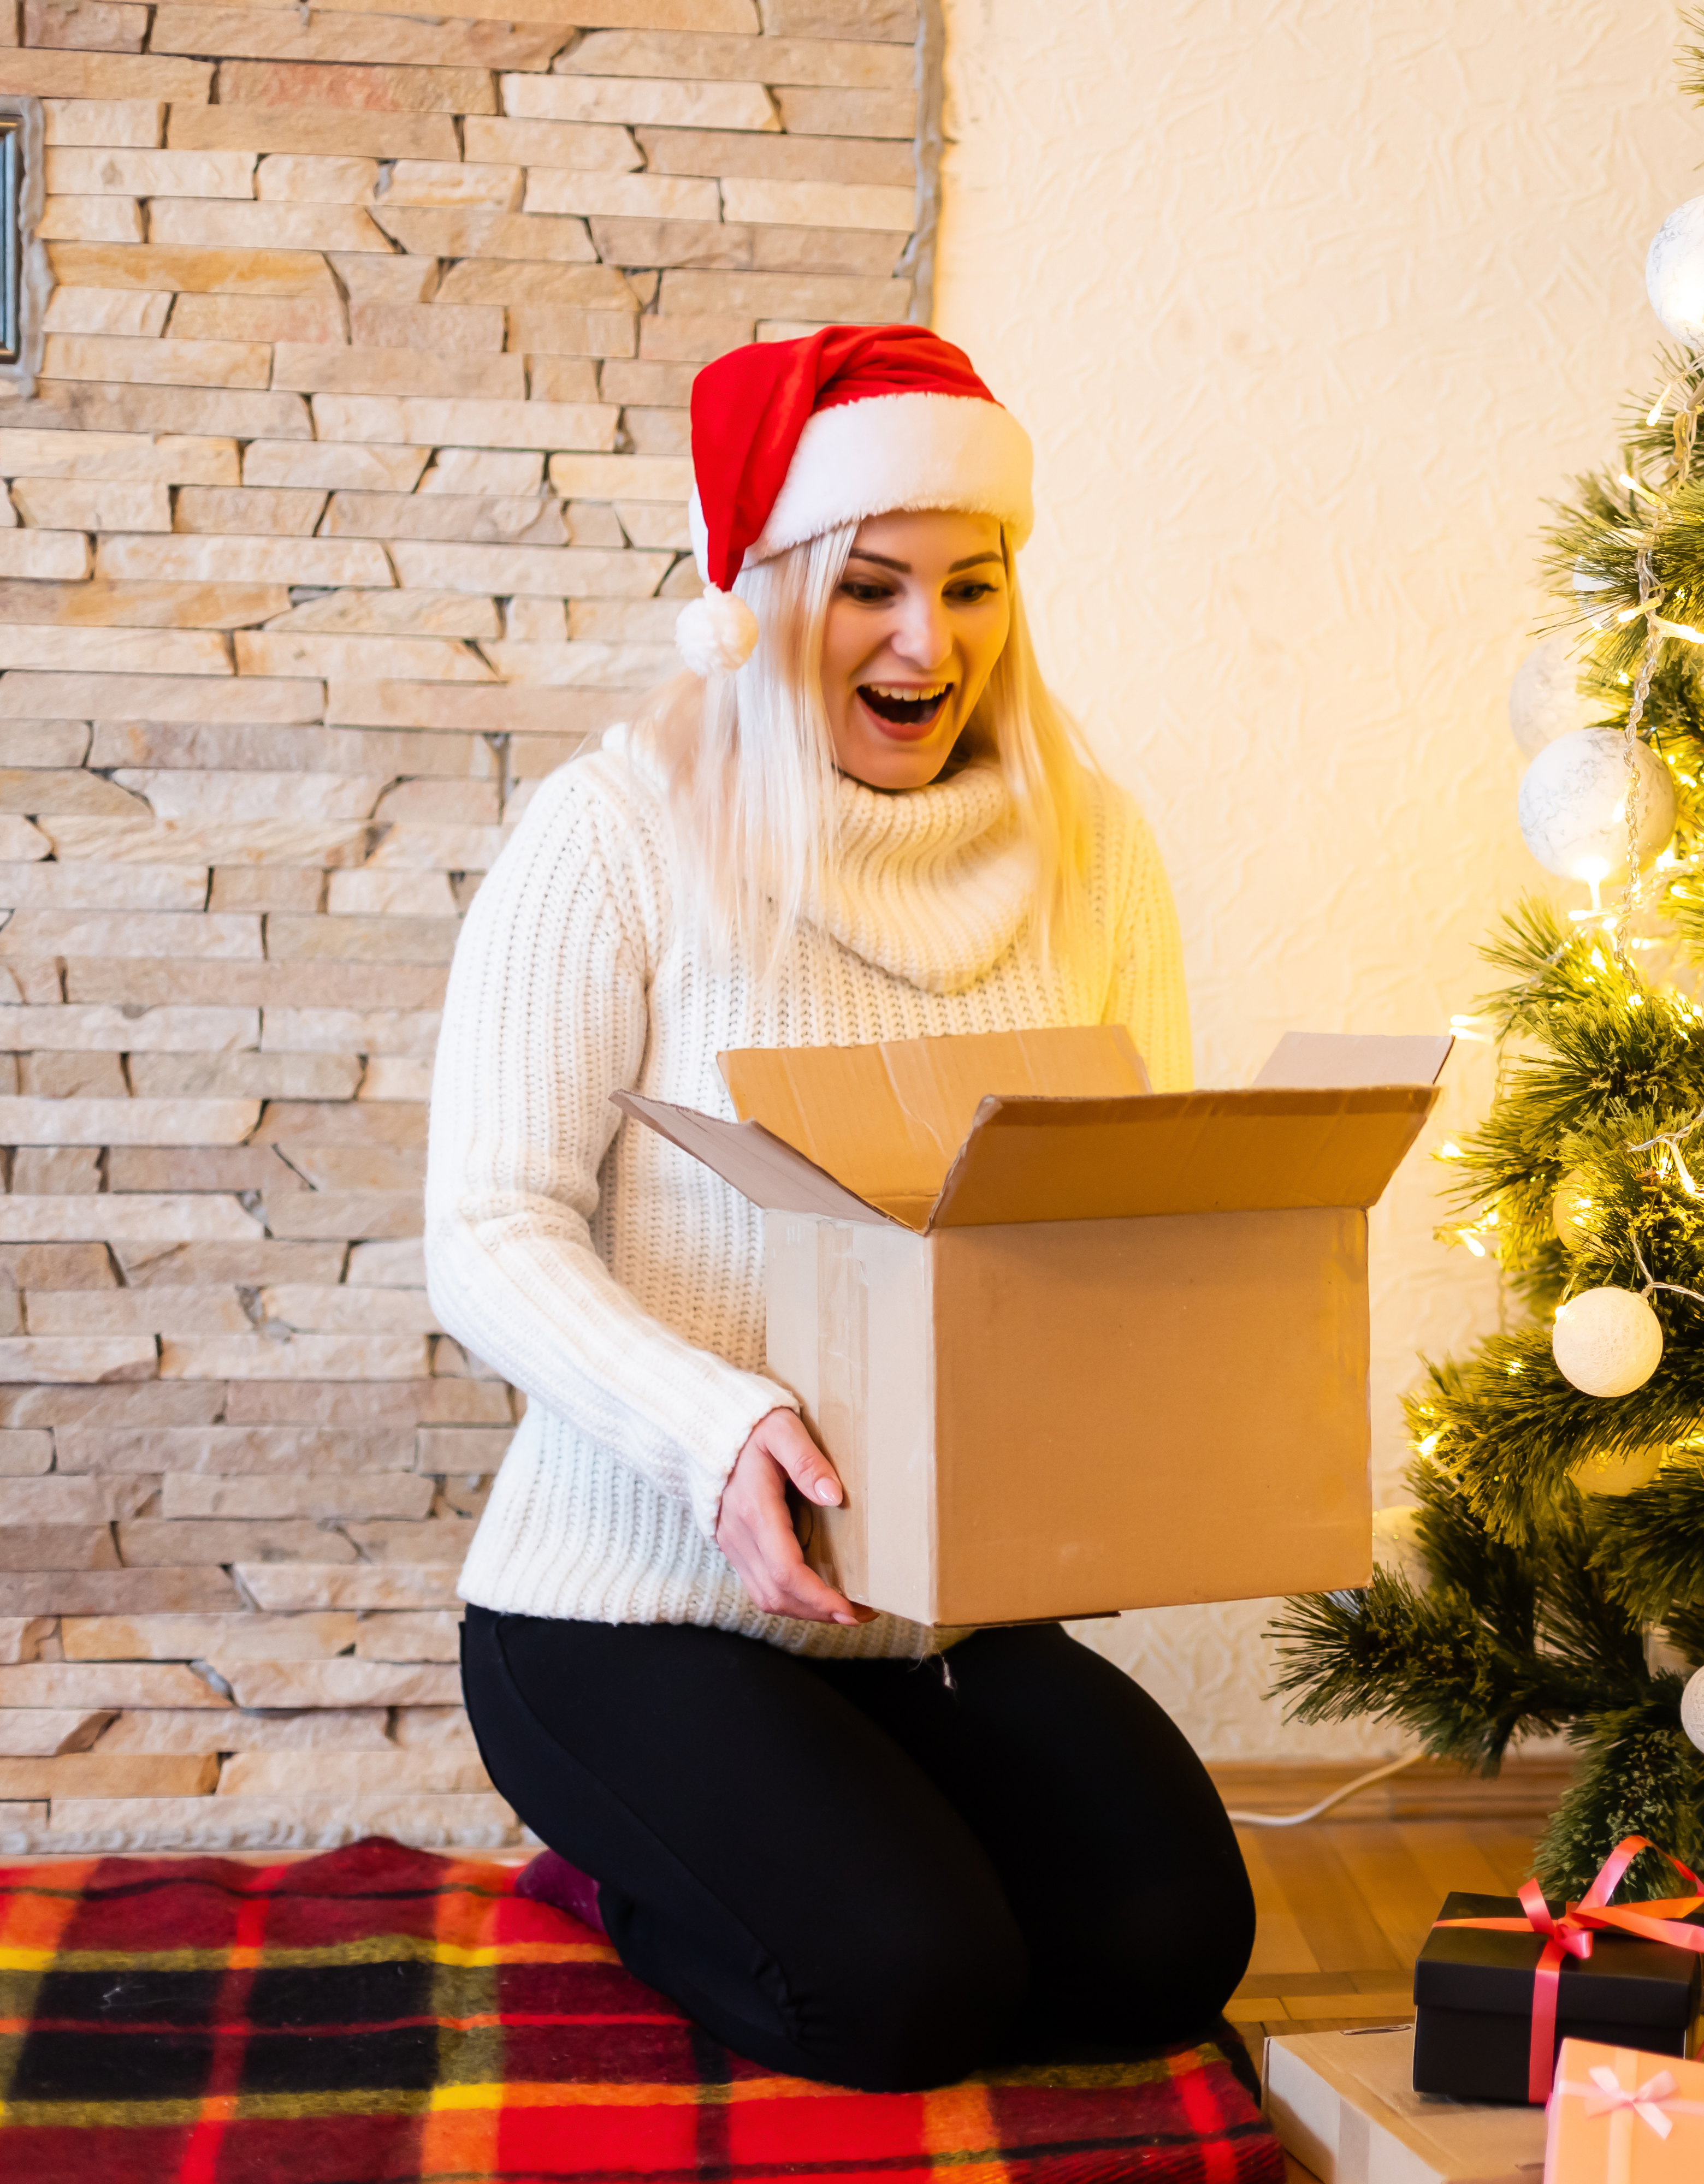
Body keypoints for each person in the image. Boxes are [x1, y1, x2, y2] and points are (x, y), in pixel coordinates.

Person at [428, 325, 1253, 2092]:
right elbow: (489, 1229)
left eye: (973, 587)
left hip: (936, 1612)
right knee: (903, 1996)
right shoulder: (617, 837)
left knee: (1167, 1955)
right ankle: (612, 1877)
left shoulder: (1093, 853)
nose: (926, 643)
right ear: (766, 594)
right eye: (874, 586)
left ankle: (851, 1830)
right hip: (627, 1604)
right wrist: (716, 1427)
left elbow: (1126, 1214)